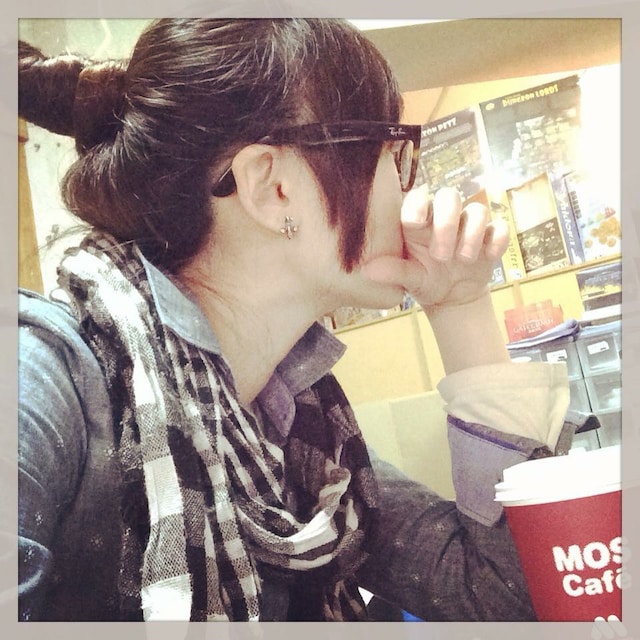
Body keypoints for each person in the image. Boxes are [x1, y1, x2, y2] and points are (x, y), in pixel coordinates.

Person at [17, 18, 577, 622]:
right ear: (272, 187)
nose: (408, 185)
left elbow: (504, 597)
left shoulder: (302, 436)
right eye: (392, 151)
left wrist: (461, 304)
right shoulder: (40, 379)